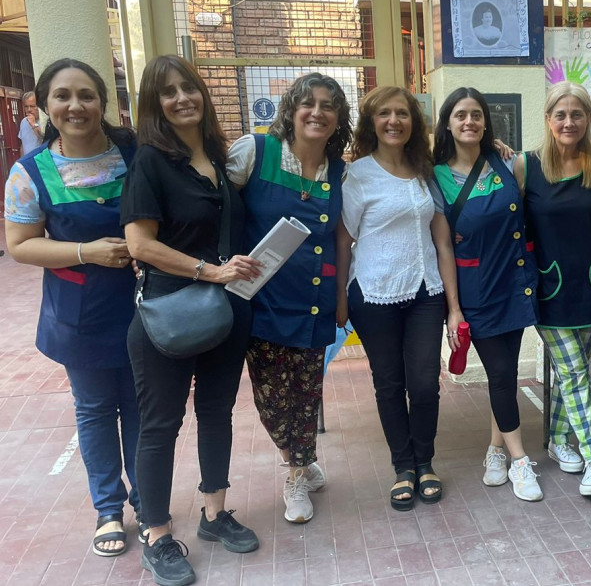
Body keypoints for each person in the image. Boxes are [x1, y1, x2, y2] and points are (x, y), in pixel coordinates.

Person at [123, 55, 262, 586]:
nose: (182, 98)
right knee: (159, 427)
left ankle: (214, 512)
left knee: (217, 413)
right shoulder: (151, 162)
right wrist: (210, 271)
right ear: (154, 105)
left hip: (227, 310)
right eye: (168, 92)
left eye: (189, 88)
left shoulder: (220, 159)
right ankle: (156, 535)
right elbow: (140, 243)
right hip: (168, 315)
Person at [4, 59, 140, 557]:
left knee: (144, 408)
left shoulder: (134, 151)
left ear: (103, 102)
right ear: (45, 105)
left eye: (87, 95)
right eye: (63, 96)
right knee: (96, 410)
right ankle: (108, 507)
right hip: (79, 313)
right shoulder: (30, 172)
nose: (75, 105)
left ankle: (149, 500)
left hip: (143, 306)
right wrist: (88, 251)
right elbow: (20, 244)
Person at [226, 73, 352, 523]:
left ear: (339, 119)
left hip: (314, 298)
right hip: (258, 297)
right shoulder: (253, 153)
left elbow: (342, 241)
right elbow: (216, 208)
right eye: (308, 103)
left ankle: (297, 472)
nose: (317, 112)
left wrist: (341, 299)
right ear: (291, 110)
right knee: (269, 395)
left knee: (304, 389)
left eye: (328, 106)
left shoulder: (341, 171)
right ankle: (301, 458)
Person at [336, 86, 462, 511]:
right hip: (374, 294)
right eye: (384, 114)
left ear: (414, 123)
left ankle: (425, 461)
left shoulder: (427, 171)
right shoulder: (358, 175)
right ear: (372, 122)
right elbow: (343, 239)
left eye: (403, 114)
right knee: (389, 384)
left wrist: (454, 307)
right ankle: (403, 467)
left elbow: (443, 244)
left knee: (425, 383)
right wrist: (340, 299)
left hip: (426, 291)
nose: (394, 121)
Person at [430, 88, 542, 501]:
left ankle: (495, 450)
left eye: (476, 115)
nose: (469, 122)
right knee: (500, 375)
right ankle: (519, 460)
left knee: (506, 373)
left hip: (513, 284)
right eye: (460, 115)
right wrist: (454, 310)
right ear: (447, 122)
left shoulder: (504, 162)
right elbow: (443, 246)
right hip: (477, 290)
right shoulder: (435, 175)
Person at [519, 81, 591, 496]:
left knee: (573, 372)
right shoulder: (526, 165)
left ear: (587, 119)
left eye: (576, 114)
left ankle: (560, 440)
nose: (568, 122)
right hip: (548, 288)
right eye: (560, 115)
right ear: (548, 119)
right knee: (577, 374)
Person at [18, 91, 43, 156]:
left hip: (41, 161)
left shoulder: (45, 121)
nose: (29, 109)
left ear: (39, 106)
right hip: (28, 161)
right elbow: (23, 145)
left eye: (32, 106)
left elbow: (44, 139)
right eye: (26, 106)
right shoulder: (23, 121)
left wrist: (34, 124)